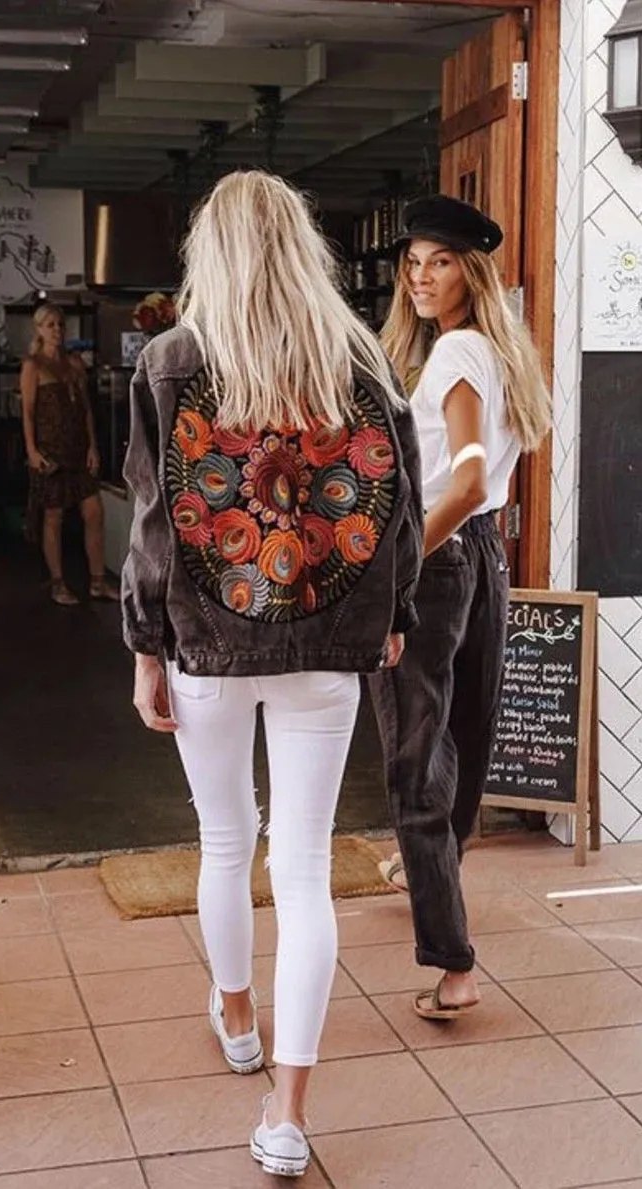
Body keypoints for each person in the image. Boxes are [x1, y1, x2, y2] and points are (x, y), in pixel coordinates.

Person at [122, 171, 423, 1178]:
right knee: (300, 868)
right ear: (303, 248)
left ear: (210, 252)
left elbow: (153, 525)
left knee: (222, 837)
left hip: (206, 642)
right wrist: (389, 622)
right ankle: (285, 1113)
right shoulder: (359, 359)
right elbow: (397, 515)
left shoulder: (169, 360)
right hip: (325, 645)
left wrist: (143, 646)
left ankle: (237, 1018)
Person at [370, 195, 552, 1020]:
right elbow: (485, 486)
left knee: (414, 754)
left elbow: (468, 477)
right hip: (485, 555)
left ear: (470, 272)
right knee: (465, 732)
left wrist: (401, 561)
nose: (419, 276)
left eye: (438, 261)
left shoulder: (453, 358)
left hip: (441, 560)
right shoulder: (497, 354)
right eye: (413, 262)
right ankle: (429, 865)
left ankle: (453, 964)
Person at [20, 304, 119, 606]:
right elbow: (28, 412)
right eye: (50, 325)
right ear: (39, 329)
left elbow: (86, 409)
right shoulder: (33, 365)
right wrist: (32, 451)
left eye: (60, 324)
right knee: (53, 517)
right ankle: (58, 582)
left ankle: (98, 581)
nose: (57, 330)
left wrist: (93, 447)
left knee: (94, 512)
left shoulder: (74, 363)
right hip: (50, 451)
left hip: (78, 448)